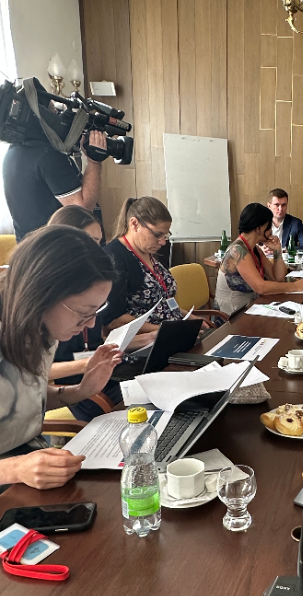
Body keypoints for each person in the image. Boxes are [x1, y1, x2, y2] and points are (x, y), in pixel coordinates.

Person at [0, 225, 122, 489]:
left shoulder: (41, 326)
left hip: (31, 467)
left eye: (97, 311)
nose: (91, 324)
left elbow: (26, 401)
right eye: (84, 312)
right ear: (42, 295)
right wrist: (15, 469)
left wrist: (82, 390)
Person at [47, 205, 148, 420]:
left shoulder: (89, 291)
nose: (99, 251)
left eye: (99, 242)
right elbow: (36, 371)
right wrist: (86, 364)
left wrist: (147, 339)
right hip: (74, 383)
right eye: (90, 241)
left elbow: (99, 343)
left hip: (98, 377)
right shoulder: (51, 304)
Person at [3, 128, 108, 241]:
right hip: (58, 248)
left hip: (31, 248)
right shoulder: (47, 155)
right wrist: (94, 161)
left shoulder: (13, 153)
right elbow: (81, 209)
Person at [101, 197, 182, 334]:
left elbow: (163, 302)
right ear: (134, 224)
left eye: (166, 235)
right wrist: (165, 330)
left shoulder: (147, 249)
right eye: (158, 234)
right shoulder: (114, 258)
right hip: (148, 339)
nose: (163, 242)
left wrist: (191, 319)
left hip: (171, 331)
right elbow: (113, 320)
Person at [214, 203, 303, 316]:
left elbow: (278, 279)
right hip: (231, 317)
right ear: (259, 228)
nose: (271, 231)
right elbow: (261, 287)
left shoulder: (255, 249)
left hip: (249, 310)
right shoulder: (238, 251)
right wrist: (295, 286)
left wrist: (277, 250)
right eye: (268, 227)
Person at [266, 188, 303, 256]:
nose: (280, 209)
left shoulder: (295, 224)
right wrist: (260, 249)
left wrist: (285, 250)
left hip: (285, 261)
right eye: (277, 205)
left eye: (283, 205)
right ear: (269, 206)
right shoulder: (260, 223)